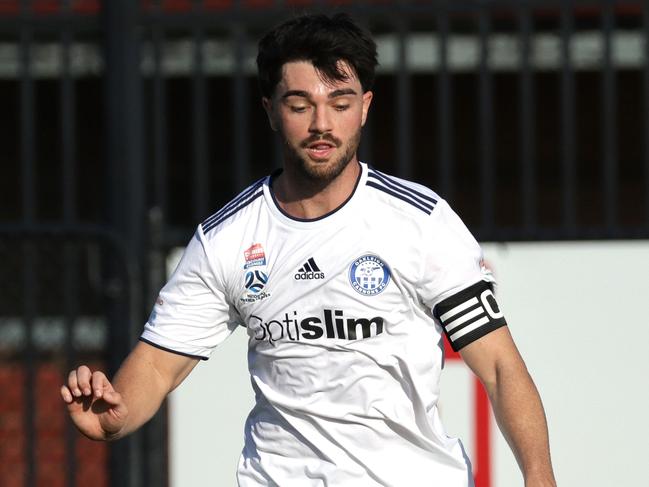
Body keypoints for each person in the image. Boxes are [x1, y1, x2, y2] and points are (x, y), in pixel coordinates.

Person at [61, 13, 556, 487]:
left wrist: (539, 476)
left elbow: (499, 365)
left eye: (339, 104)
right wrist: (114, 415)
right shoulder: (227, 239)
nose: (322, 124)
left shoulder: (420, 223)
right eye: (300, 105)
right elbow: (157, 364)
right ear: (271, 110)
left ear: (364, 106)